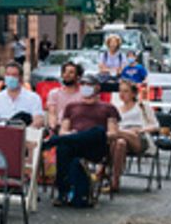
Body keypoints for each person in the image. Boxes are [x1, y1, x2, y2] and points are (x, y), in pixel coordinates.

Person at [47, 72, 119, 207]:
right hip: (74, 145)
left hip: (95, 146)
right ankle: (63, 193)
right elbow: (63, 130)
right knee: (63, 147)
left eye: (89, 84)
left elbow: (113, 133)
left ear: (97, 87)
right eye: (83, 84)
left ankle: (52, 141)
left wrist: (90, 135)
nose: (85, 87)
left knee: (98, 131)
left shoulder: (108, 108)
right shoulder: (71, 107)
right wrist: (70, 134)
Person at [110, 79, 157, 192]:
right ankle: (115, 181)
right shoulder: (116, 107)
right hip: (120, 138)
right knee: (120, 143)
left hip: (139, 138)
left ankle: (101, 172)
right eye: (120, 91)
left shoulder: (142, 106)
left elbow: (155, 126)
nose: (122, 94)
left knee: (115, 134)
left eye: (126, 91)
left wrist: (141, 130)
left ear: (133, 93)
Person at [0, 62, 44, 128]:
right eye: (8, 75)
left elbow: (38, 120)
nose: (10, 78)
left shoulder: (34, 98)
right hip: (1, 133)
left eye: (14, 75)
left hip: (24, 133)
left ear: (20, 78)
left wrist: (27, 131)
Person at [46, 61, 83, 131]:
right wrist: (53, 127)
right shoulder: (54, 93)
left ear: (78, 76)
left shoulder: (84, 94)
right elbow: (52, 114)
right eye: (64, 72)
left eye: (71, 72)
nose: (67, 75)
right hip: (59, 127)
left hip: (78, 129)